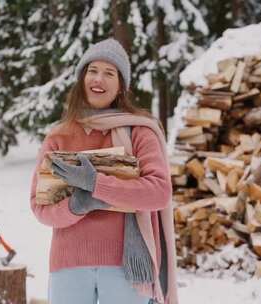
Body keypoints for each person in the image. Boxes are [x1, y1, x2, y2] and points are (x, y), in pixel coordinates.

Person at [29, 38, 179, 304]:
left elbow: (159, 193)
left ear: (121, 85)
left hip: (128, 267)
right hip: (68, 264)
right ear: (81, 78)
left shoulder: (140, 132)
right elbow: (40, 208)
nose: (99, 79)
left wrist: (97, 185)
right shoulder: (59, 136)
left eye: (109, 73)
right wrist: (76, 205)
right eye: (92, 70)